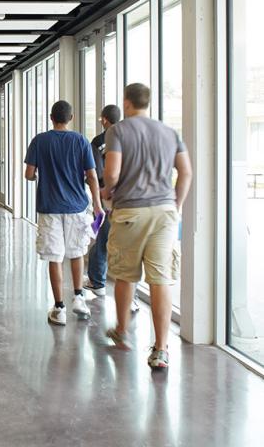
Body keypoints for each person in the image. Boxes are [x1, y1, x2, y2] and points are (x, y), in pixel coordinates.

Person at [102, 83, 192, 370]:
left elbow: (112, 173)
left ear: (127, 102)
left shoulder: (118, 131)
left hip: (131, 211)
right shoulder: (169, 132)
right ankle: (161, 349)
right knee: (159, 278)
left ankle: (121, 331)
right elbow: (186, 172)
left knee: (125, 275)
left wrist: (106, 191)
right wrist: (176, 204)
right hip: (164, 213)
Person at [24, 100, 102, 327]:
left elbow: (28, 174)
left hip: (50, 207)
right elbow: (92, 176)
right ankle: (78, 297)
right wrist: (97, 205)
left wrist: (38, 176)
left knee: (54, 257)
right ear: (71, 118)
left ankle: (59, 309)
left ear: (51, 118)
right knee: (76, 253)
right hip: (77, 207)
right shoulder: (81, 141)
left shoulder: (39, 140)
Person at [83, 105, 122, 298]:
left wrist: (98, 199)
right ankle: (131, 295)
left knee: (102, 239)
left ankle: (97, 281)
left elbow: (96, 174)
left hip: (106, 199)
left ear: (104, 119)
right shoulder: (128, 138)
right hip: (129, 199)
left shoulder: (99, 142)